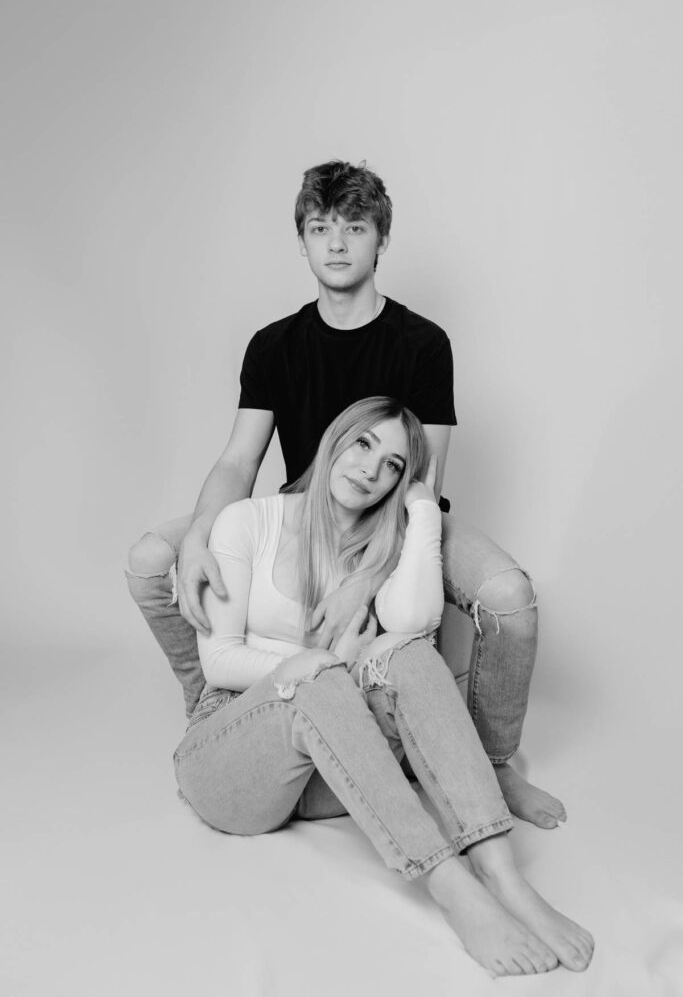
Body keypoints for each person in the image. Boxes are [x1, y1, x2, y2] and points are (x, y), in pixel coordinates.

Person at [127, 159, 565, 829]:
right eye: (320, 227)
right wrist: (196, 538)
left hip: (392, 514)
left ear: (379, 240)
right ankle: (216, 701)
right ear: (300, 240)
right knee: (150, 560)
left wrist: (366, 578)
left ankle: (492, 762)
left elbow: (423, 478)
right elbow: (238, 459)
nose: (335, 242)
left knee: (510, 598)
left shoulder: (422, 344)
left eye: (353, 228)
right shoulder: (273, 345)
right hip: (304, 515)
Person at [173, 397, 593, 977]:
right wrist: (321, 660)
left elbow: (415, 623)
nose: (372, 470)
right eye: (364, 444)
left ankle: (504, 876)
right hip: (232, 761)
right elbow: (218, 660)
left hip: (326, 774)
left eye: (395, 465)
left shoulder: (385, 543)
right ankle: (452, 888)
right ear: (333, 441)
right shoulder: (248, 521)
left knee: (405, 653)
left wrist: (421, 511)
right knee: (320, 674)